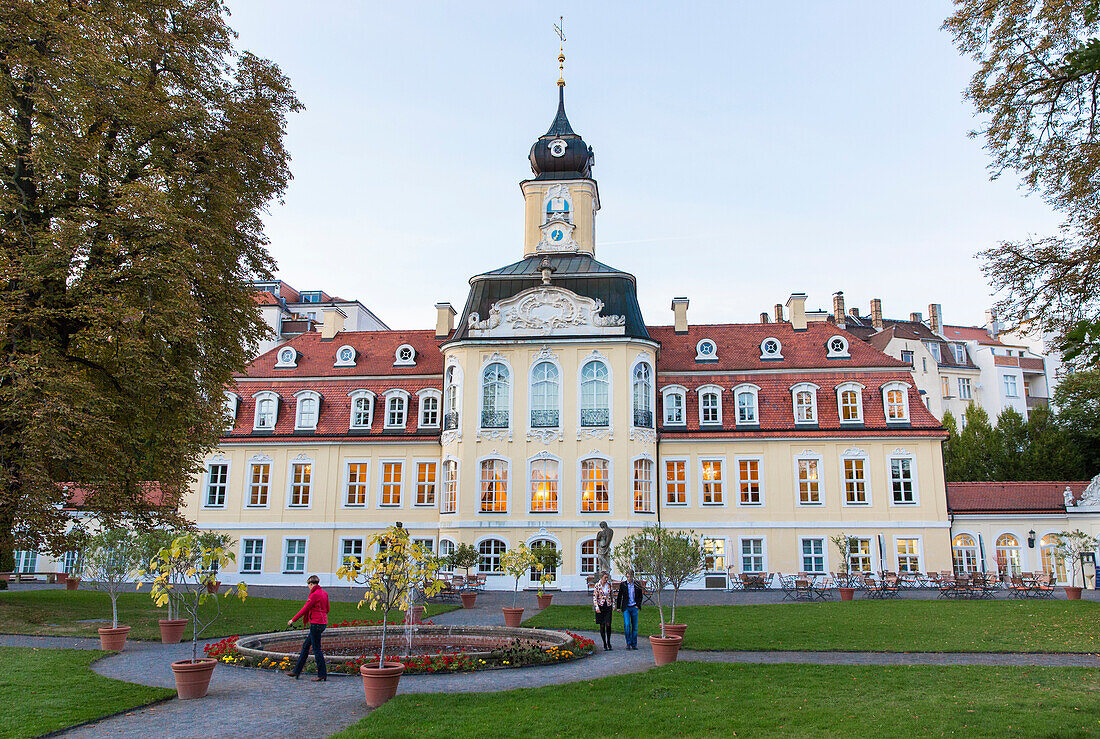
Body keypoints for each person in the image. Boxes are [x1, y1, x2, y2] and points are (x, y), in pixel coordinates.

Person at [287, 574, 329, 681]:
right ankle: (296, 671)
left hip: (316, 624)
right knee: (306, 646)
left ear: (311, 584)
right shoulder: (324, 593)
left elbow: (305, 609)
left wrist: (293, 620)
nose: (308, 587)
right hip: (323, 623)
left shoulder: (314, 595)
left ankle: (322, 674)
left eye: (308, 585)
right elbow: (327, 609)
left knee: (316, 649)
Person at [615, 569, 644, 650]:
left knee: (634, 627)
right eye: (627, 577)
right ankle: (628, 643)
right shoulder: (623, 585)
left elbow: (640, 596)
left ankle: (634, 644)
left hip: (634, 606)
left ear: (633, 576)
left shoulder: (637, 584)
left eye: (630, 577)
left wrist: (638, 605)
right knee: (627, 625)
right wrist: (618, 607)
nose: (629, 578)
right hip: (626, 607)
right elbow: (620, 596)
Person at [592, 571, 614, 650]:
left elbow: (612, 595)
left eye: (607, 577)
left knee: (608, 624)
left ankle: (608, 641)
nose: (606, 579)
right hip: (600, 606)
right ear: (601, 578)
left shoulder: (609, 585)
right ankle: (604, 643)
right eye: (605, 578)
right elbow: (595, 597)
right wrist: (596, 607)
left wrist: (613, 604)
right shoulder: (597, 586)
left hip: (608, 606)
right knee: (602, 625)